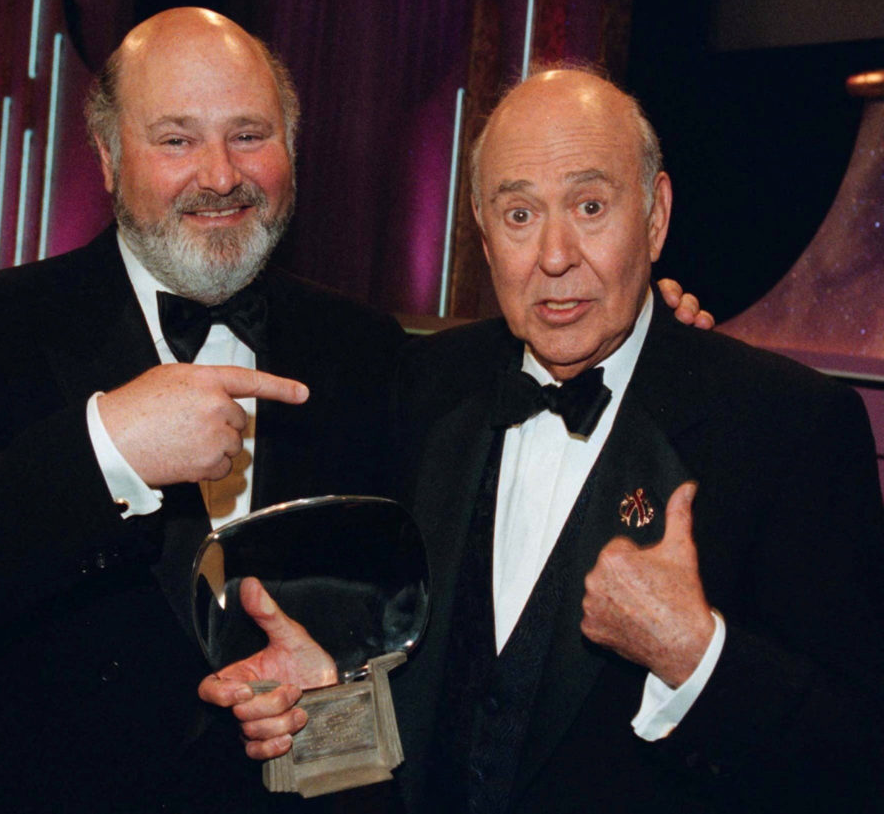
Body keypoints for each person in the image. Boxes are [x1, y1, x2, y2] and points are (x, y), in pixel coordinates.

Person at [0, 7, 705, 811]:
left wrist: (649, 324)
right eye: (177, 139)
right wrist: (106, 449)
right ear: (111, 156)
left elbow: (543, 347)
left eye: (250, 136)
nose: (221, 175)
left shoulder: (364, 348)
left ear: (292, 152)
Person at [203, 66, 884, 813]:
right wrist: (326, 705)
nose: (555, 255)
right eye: (520, 214)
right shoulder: (418, 390)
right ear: (484, 234)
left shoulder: (787, 425)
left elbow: (856, 757)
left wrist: (698, 660)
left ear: (655, 216)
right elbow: (403, 719)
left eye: (590, 206)